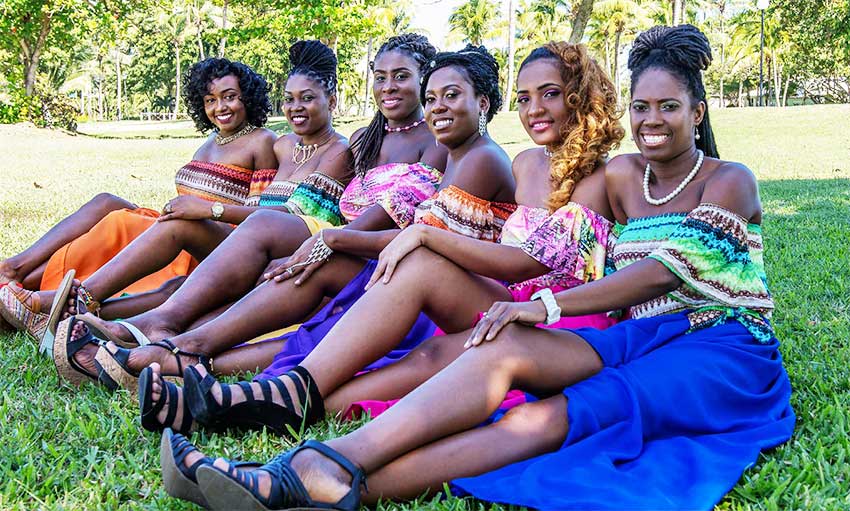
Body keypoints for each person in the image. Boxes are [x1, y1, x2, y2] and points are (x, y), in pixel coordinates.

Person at [162, 25, 795, 511]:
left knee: (561, 417)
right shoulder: (626, 176)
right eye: (642, 108)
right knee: (464, 347)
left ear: (698, 113)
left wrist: (538, 303)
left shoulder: (730, 180)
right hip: (636, 332)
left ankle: (314, 473)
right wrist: (417, 245)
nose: (651, 121)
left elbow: (657, 272)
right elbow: (548, 254)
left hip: (713, 339)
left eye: (669, 108)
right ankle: (295, 436)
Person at [157, 41, 625, 439]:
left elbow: (524, 262)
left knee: (409, 308)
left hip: (559, 315)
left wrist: (417, 236)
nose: (534, 109)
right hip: (489, 298)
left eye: (550, 95)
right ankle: (234, 393)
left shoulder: (605, 176)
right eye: (524, 98)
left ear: (581, 98)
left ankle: (236, 380)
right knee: (354, 371)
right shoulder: (526, 163)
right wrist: (351, 239)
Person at [76, 45, 517, 419]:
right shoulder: (370, 139)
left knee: (298, 262)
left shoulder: (457, 152)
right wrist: (325, 240)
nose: (390, 87)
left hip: (418, 272)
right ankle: (171, 341)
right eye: (381, 77)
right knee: (283, 263)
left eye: (404, 78)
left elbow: (418, 230)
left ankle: (179, 345)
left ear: (480, 102)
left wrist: (329, 239)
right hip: (373, 253)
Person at [0, 57, 280, 342]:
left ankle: (33, 294)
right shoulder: (211, 140)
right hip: (179, 225)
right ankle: (14, 272)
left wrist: (204, 210)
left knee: (122, 224)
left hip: (218, 243)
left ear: (248, 96)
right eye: (210, 100)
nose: (220, 107)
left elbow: (260, 219)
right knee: (107, 202)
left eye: (229, 97)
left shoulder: (262, 141)